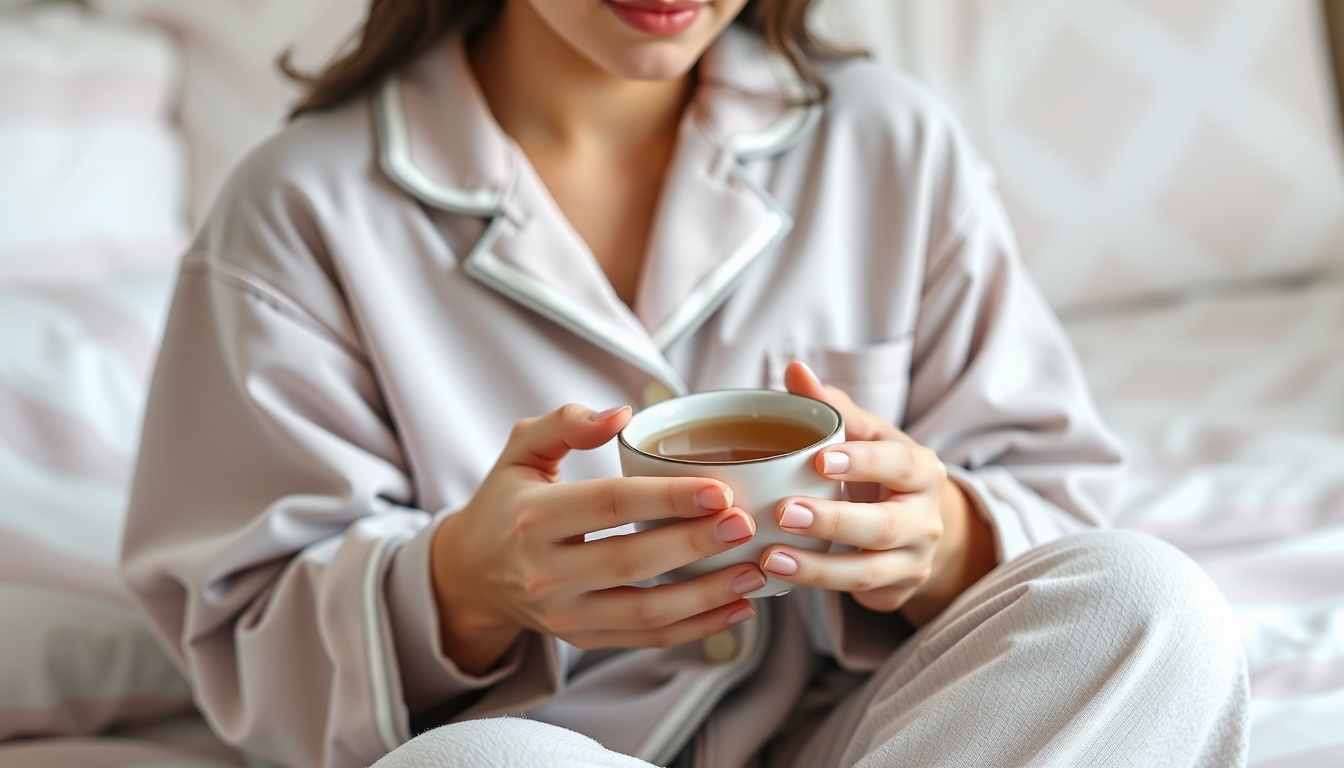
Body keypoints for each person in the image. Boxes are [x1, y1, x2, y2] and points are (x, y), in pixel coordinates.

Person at [122, 1, 1251, 766]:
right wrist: (466, 580)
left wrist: (947, 538)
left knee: (1150, 605)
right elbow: (242, 632)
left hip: (881, 733)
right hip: (555, 743)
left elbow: (1062, 534)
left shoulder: (892, 144)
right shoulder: (299, 206)